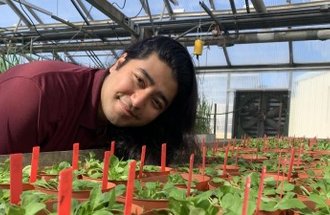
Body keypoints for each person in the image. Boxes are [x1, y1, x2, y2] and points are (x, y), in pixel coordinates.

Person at [0, 36, 199, 164]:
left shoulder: (131, 132)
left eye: (157, 102)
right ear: (119, 62)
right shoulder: (34, 95)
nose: (138, 101)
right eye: (139, 80)